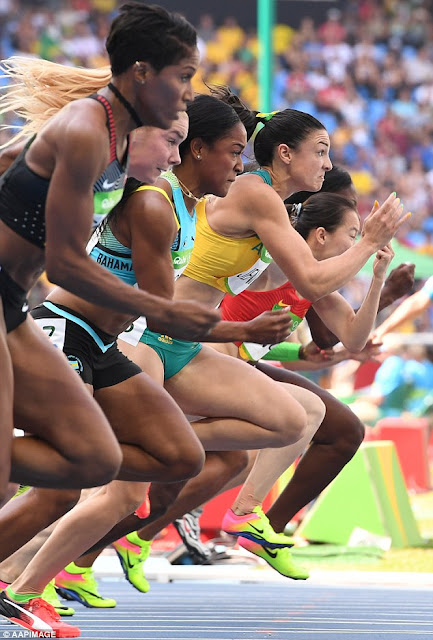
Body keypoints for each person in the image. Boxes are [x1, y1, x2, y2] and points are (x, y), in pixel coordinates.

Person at [0, 94, 320, 637]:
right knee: (72, 483)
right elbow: (162, 313)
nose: (240, 166)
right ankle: (22, 584)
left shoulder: (191, 206)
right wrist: (242, 331)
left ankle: (35, 558)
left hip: (109, 342)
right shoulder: (155, 204)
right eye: (234, 153)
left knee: (178, 456)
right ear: (198, 150)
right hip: (71, 332)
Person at [0, 1, 220, 504]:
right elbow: (64, 265)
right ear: (141, 73)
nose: (190, 92)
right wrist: (163, 309)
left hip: (11, 306)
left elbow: (10, 160)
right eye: (183, 76)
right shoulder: (86, 130)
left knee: (95, 459)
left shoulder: (117, 141)